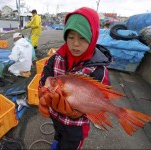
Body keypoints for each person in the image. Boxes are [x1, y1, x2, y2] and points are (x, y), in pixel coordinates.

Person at [38, 7, 112, 150]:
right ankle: (57, 141)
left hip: (75, 129)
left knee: (70, 145)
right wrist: (42, 96)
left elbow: (103, 100)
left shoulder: (98, 71)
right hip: (56, 119)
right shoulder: (55, 59)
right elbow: (44, 80)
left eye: (82, 38)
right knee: (58, 136)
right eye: (71, 37)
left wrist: (77, 113)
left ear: (93, 37)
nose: (75, 43)